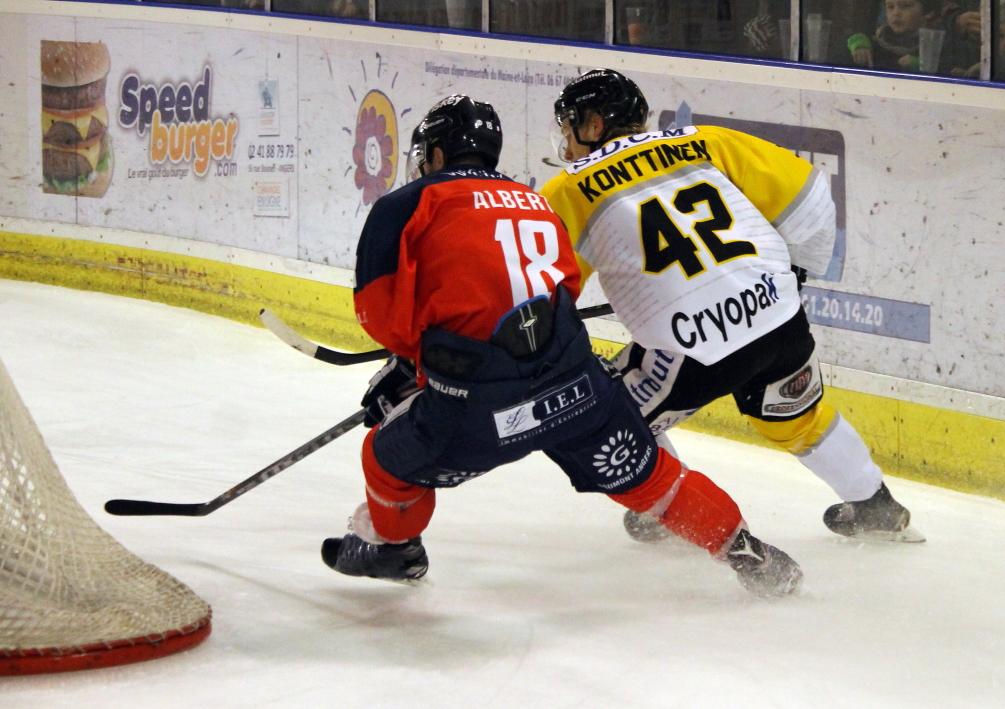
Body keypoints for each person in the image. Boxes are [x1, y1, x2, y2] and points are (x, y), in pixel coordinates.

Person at [322, 94, 803, 597]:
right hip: (577, 387)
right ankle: (745, 551)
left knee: (384, 456)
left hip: (481, 412)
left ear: (438, 154)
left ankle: (394, 549)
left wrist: (421, 367)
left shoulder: (405, 204)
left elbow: (380, 314)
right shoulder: (534, 199)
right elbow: (564, 287)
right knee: (656, 481)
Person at [540, 69, 923, 545]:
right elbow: (809, 200)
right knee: (795, 415)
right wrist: (794, 273)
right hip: (778, 317)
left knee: (606, 415)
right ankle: (876, 504)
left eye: (569, 127)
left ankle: (674, 505)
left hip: (690, 347)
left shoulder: (568, 189)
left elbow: (537, 288)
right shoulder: (707, 141)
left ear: (594, 125)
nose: (566, 141)